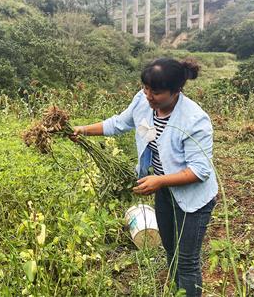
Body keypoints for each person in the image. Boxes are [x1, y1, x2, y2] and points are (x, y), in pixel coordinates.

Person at [71, 58, 217, 297]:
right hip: (165, 193)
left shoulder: (194, 120)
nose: (148, 96)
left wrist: (159, 180)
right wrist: (83, 130)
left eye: (156, 92)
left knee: (187, 260)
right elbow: (119, 123)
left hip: (193, 200)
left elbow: (200, 171)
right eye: (145, 88)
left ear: (176, 90)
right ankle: (177, 292)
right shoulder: (143, 102)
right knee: (170, 250)